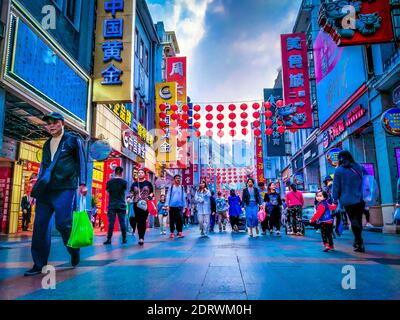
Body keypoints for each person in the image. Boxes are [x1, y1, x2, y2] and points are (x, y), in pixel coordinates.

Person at [24, 112, 87, 277]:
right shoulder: (46, 144)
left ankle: (74, 250)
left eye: (54, 123)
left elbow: (81, 161)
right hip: (46, 190)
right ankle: (39, 264)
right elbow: (44, 167)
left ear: (62, 123)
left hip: (65, 188)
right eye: (48, 124)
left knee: (62, 223)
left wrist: (82, 183)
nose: (51, 126)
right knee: (40, 226)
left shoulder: (73, 140)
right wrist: (35, 190)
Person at [332, 150, 367, 253]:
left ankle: (358, 241)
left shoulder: (339, 170)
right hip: (360, 198)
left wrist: (335, 198)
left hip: (347, 200)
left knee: (353, 220)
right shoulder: (360, 167)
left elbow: (336, 186)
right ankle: (359, 240)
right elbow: (367, 180)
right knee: (358, 219)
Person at [104, 166, 128, 245]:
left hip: (112, 204)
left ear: (114, 172)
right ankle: (124, 238)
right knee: (122, 222)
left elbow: (107, 192)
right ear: (122, 173)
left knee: (111, 222)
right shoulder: (124, 182)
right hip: (121, 204)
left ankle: (109, 239)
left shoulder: (109, 182)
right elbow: (124, 191)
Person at [130, 168, 154, 246]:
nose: (140, 174)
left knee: (143, 220)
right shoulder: (134, 184)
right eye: (139, 173)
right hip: (136, 204)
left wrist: (149, 198)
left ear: (145, 174)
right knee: (137, 220)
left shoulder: (148, 183)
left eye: (142, 173)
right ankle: (140, 235)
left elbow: (152, 193)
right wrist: (129, 197)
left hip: (144, 204)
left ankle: (141, 238)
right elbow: (131, 192)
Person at [165, 175, 186, 239]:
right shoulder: (171, 187)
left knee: (180, 219)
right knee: (172, 220)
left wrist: (185, 206)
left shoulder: (182, 187)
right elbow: (168, 196)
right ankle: (172, 232)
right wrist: (167, 205)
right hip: (172, 206)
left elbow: (183, 197)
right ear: (174, 180)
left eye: (179, 178)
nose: (178, 179)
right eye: (177, 178)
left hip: (180, 206)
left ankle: (180, 232)